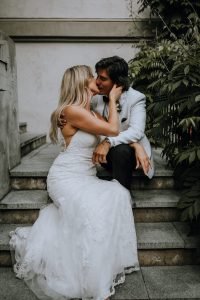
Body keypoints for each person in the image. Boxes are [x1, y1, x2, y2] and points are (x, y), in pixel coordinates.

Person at [9, 65, 139, 300]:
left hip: (86, 177)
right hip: (66, 177)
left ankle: (98, 267)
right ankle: (90, 277)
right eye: (90, 76)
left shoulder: (89, 112)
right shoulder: (71, 111)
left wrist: (136, 145)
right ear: (80, 82)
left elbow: (114, 132)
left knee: (118, 194)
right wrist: (111, 99)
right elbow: (112, 128)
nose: (95, 80)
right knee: (92, 210)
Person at [59, 56, 154, 193]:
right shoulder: (95, 96)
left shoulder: (136, 98)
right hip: (103, 155)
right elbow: (75, 110)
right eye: (97, 76)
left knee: (121, 150)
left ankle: (123, 196)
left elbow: (136, 132)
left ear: (117, 82)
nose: (97, 82)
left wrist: (109, 142)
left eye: (103, 79)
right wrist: (61, 118)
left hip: (128, 155)